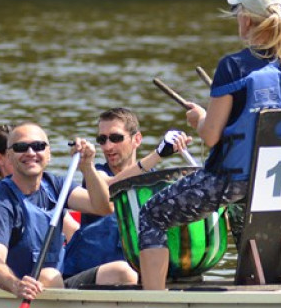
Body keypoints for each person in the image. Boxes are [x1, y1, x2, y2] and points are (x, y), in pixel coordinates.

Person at [136, 0, 281, 290]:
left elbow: (212, 137)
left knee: (152, 214)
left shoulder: (232, 67)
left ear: (246, 20)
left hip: (230, 182)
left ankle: (153, 303)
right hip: (275, 189)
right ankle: (259, 290)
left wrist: (199, 118)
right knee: (246, 219)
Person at [0, 123, 121, 298]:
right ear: (10, 156)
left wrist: (87, 168)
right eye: (21, 147)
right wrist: (16, 285)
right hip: (11, 291)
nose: (30, 153)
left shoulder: (56, 185)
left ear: (48, 154)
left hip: (51, 284)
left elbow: (103, 207)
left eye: (38, 146)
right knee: (49, 276)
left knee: (121, 272)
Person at [61, 108, 188, 285]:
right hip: (89, 275)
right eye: (102, 140)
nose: (107, 146)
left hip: (134, 274)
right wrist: (158, 154)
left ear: (137, 139)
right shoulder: (95, 174)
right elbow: (111, 188)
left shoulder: (157, 184)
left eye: (116, 138)